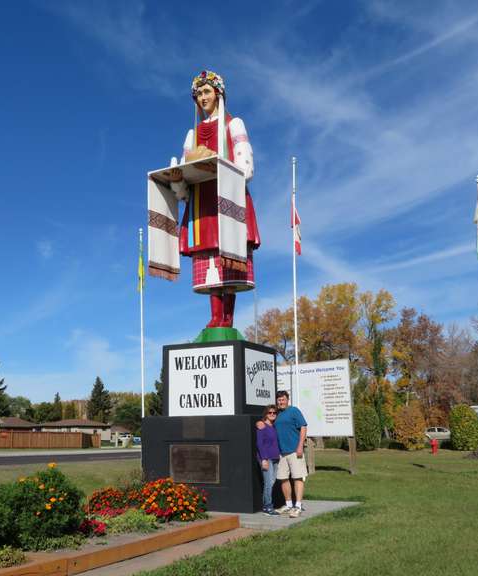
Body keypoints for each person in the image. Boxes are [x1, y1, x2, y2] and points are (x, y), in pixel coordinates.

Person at [168, 70, 260, 329]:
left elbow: (246, 168)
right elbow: (184, 188)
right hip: (201, 205)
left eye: (206, 91)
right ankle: (215, 316)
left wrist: (218, 167)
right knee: (208, 259)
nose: (202, 97)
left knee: (228, 256)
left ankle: (226, 318)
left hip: (227, 201)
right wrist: (176, 179)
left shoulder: (234, 124)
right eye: (198, 94)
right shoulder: (192, 135)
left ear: (219, 94)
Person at [258, 390, 307, 517]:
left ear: (287, 400)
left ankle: (298, 506)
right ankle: (289, 505)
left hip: (295, 451)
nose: (281, 402)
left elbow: (303, 427)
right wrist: (259, 423)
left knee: (297, 477)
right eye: (279, 400)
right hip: (281, 454)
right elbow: (267, 422)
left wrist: (300, 446)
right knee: (283, 479)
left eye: (283, 399)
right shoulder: (277, 414)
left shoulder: (294, 411)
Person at [256, 404, 281, 516]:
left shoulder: (274, 426)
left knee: (271, 482)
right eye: (269, 412)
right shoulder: (262, 426)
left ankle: (267, 505)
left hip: (276, 458)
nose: (272, 414)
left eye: (274, 413)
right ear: (265, 414)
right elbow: (259, 444)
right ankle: (267, 507)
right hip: (267, 459)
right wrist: (264, 459)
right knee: (268, 483)